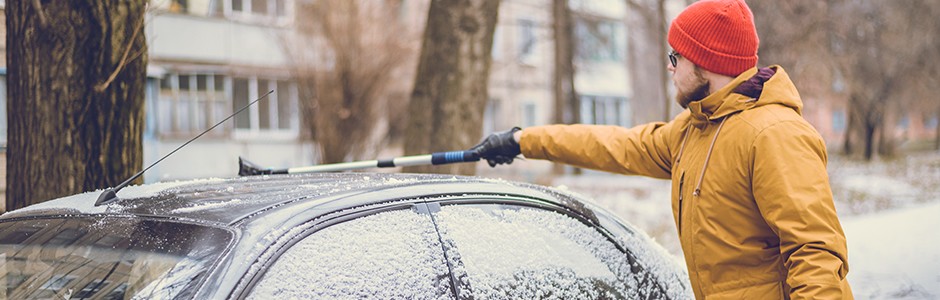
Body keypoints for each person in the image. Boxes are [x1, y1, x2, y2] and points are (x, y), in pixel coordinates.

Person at [471, 0, 853, 298]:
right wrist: (524, 140)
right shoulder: (693, 130)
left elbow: (816, 254)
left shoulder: (774, 134)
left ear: (708, 63)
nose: (670, 68)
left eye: (677, 57)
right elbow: (613, 145)